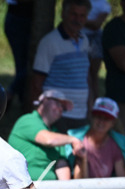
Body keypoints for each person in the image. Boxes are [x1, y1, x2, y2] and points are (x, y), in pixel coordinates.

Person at [30, 0, 92, 132]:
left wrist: (90, 106)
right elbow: (37, 82)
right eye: (73, 14)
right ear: (63, 14)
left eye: (82, 16)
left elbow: (85, 77)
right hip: (58, 114)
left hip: (81, 114)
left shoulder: (85, 41)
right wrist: (38, 115)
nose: (78, 20)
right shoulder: (49, 42)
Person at [4, 0, 34, 109]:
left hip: (24, 19)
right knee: (27, 65)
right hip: (18, 18)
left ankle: (20, 99)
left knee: (24, 65)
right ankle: (9, 94)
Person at [82, 1, 110, 97]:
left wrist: (76, 19)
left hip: (94, 39)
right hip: (79, 36)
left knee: (93, 74)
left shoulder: (104, 5)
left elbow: (96, 25)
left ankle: (95, 103)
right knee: (84, 73)